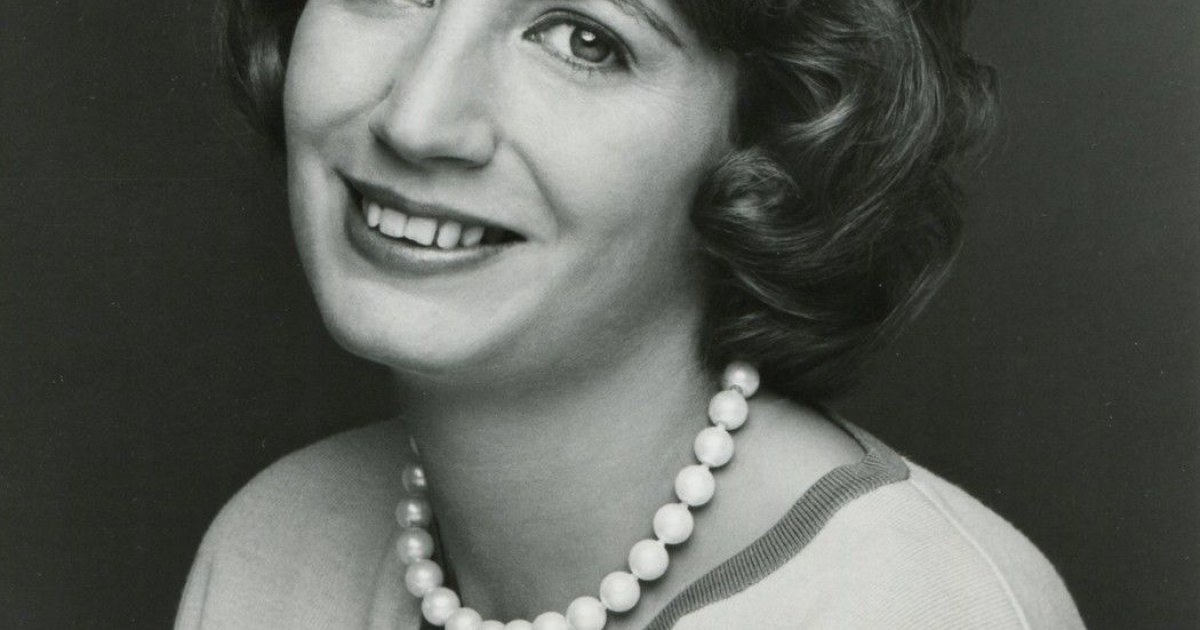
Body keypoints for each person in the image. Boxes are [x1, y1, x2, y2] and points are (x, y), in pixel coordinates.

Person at [176, 0, 1085, 628]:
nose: (417, 120)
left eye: (583, 39)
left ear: (770, 144)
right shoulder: (274, 552)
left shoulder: (925, 610)